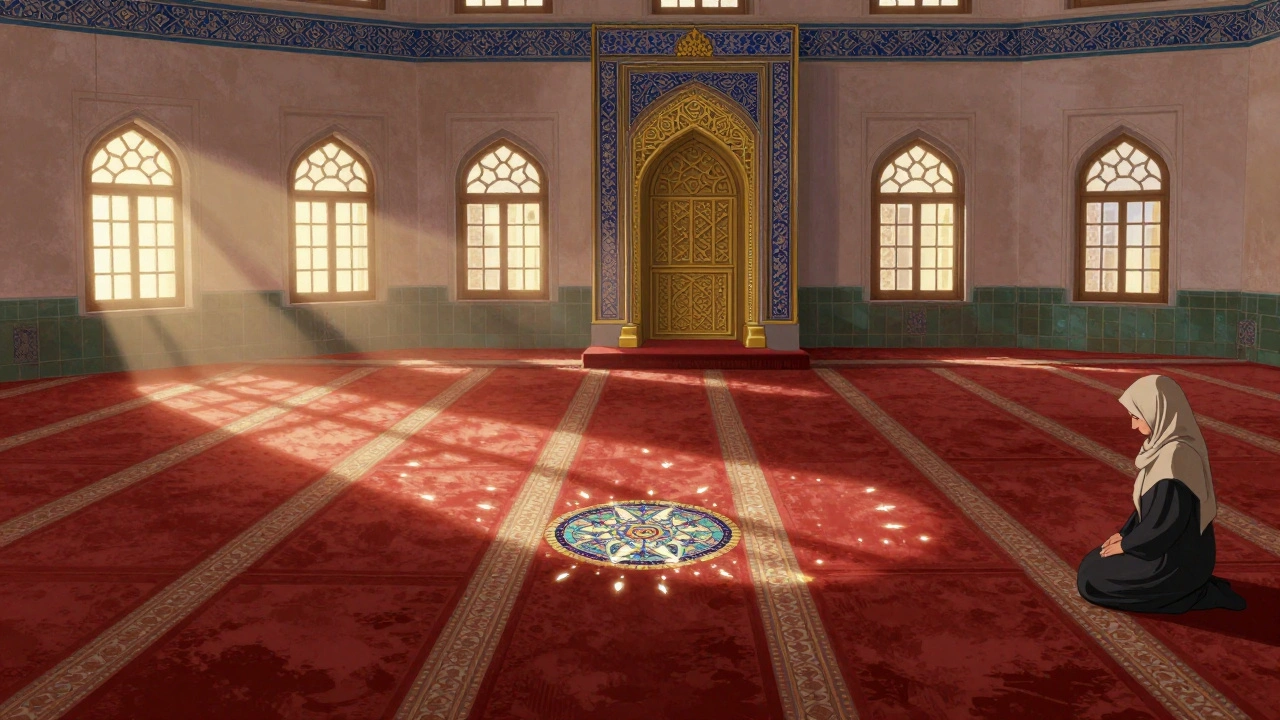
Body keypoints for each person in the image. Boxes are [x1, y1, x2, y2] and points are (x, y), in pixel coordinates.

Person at [1076, 374, 1246, 613]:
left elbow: (1166, 524)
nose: (1133, 425)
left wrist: (1128, 544)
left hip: (1175, 560)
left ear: (1156, 412)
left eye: (1136, 417)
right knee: (1094, 563)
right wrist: (1124, 533)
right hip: (1162, 547)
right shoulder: (1162, 446)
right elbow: (1152, 509)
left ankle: (1195, 595)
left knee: (1093, 580)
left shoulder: (1176, 455)